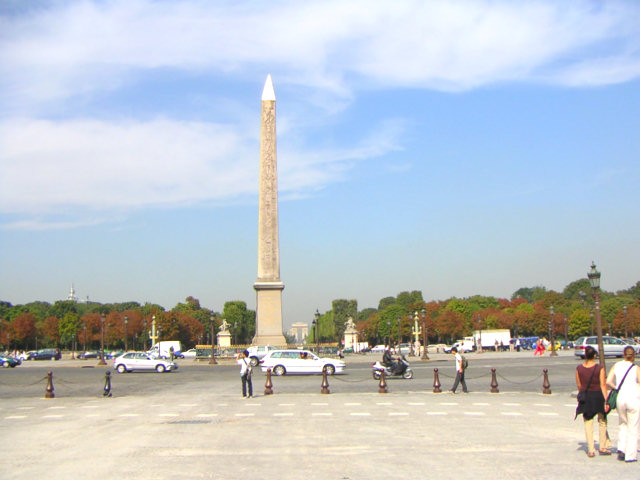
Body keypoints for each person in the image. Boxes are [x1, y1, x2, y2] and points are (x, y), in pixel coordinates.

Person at [575, 346, 612, 457]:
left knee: (588, 422)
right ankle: (602, 446)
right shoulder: (599, 368)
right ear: (595, 355)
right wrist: (606, 400)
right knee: (602, 421)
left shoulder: (579, 369)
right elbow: (603, 384)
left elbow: (579, 385)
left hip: (586, 397)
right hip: (598, 396)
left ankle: (591, 450)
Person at [606, 346, 640, 462]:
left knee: (623, 424)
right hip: (633, 397)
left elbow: (608, 381)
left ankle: (621, 450)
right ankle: (630, 455)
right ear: (633, 355)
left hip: (620, 397)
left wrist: (616, 388)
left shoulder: (617, 365)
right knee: (633, 426)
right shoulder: (636, 368)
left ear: (623, 354)